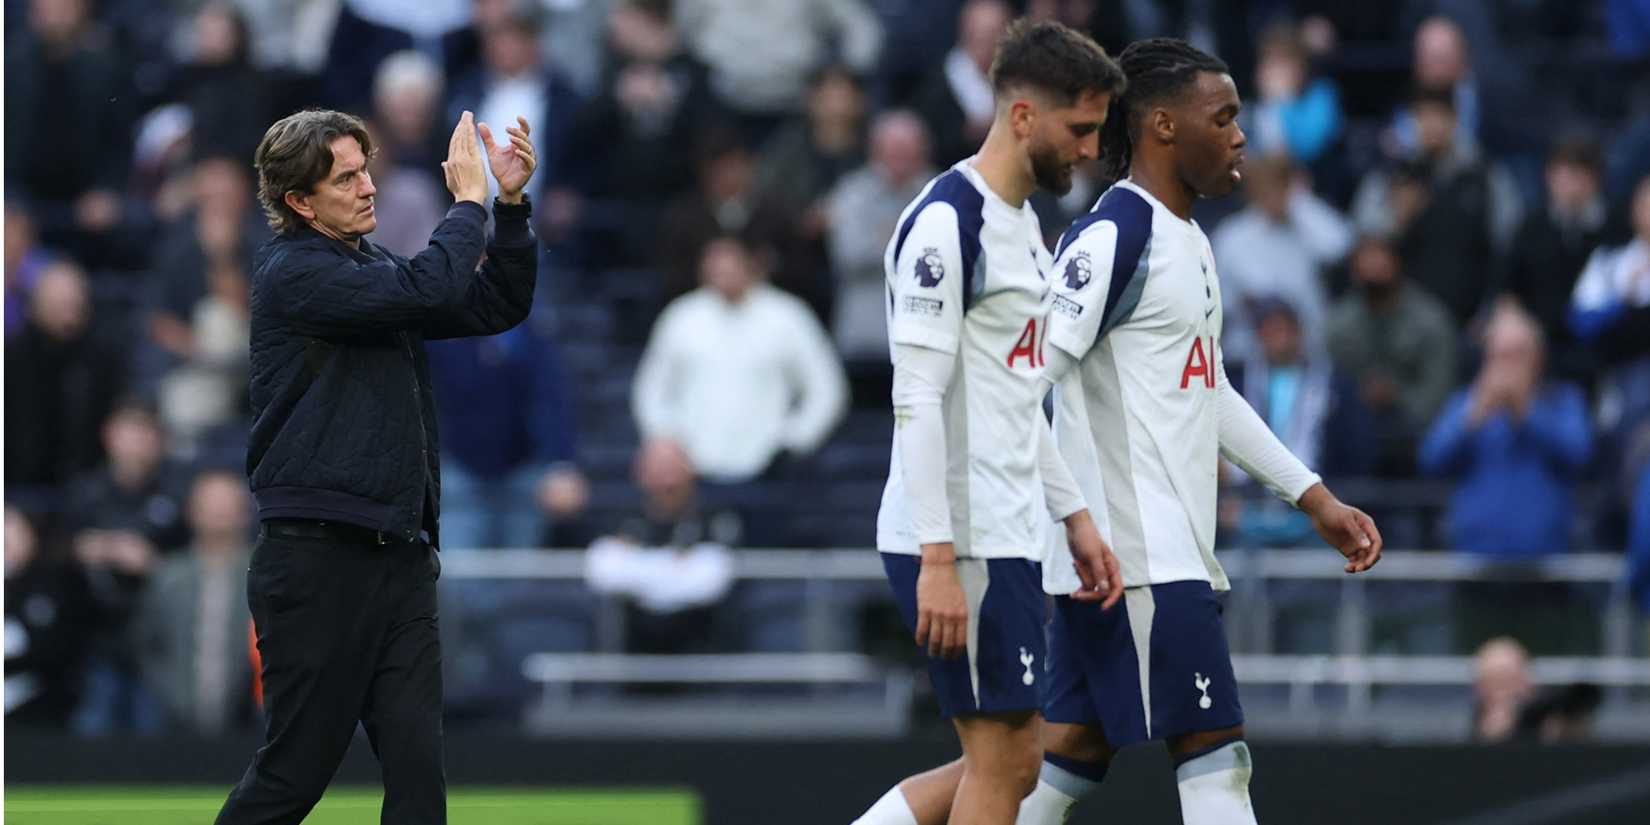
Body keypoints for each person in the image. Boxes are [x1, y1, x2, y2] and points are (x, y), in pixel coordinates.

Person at [1017, 39, 1383, 825]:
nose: (1241, 135)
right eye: (1223, 117)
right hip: (1138, 556)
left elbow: (1206, 389)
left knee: (1050, 775)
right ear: (1162, 126)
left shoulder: (1187, 240)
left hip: (1130, 557)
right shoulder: (1114, 233)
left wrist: (1311, 496)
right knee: (1217, 756)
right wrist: (1072, 517)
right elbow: (1022, 385)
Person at [215, 107, 539, 825]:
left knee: (419, 774)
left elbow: (493, 302)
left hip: (398, 556)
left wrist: (510, 208)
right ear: (299, 201)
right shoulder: (295, 271)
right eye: (347, 177)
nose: (369, 188)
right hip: (318, 559)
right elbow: (431, 289)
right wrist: (465, 204)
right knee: (297, 769)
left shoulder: (367, 267)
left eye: (367, 169)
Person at [850, 19, 1126, 825]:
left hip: (1004, 530)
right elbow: (917, 397)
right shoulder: (947, 225)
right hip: (956, 536)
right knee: (1005, 761)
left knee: (1011, 754)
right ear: (1022, 117)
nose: (1087, 150)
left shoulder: (1024, 232)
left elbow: (1014, 397)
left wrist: (1071, 514)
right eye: (1079, 129)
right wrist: (938, 553)